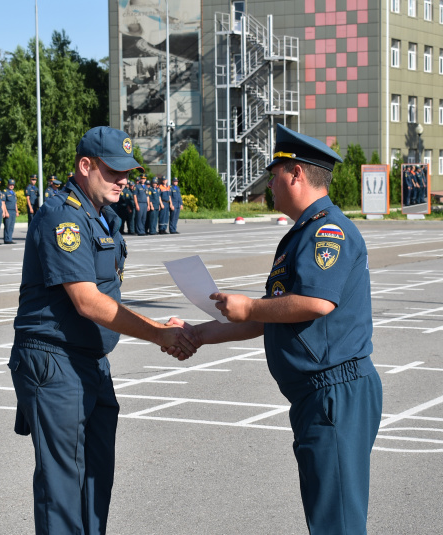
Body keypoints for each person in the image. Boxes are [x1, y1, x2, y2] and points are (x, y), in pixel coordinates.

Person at [168, 123, 383, 535]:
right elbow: (266, 318)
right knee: (327, 517)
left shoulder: (327, 231)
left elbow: (318, 303)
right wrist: (197, 333)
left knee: (336, 523)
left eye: (275, 174)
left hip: (334, 392)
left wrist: (248, 304)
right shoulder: (300, 235)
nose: (270, 182)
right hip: (318, 394)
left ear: (296, 174)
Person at [8, 126, 199, 535]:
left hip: (90, 361)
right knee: (63, 487)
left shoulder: (103, 217)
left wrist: (159, 326)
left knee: (96, 479)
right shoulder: (64, 216)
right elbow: (87, 300)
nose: (123, 180)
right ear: (85, 166)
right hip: (55, 361)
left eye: (128, 172)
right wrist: (158, 333)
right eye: (113, 172)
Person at [3, 179, 19, 244]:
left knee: (11, 226)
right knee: (7, 225)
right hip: (8, 210)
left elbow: (15, 203)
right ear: (8, 185)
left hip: (13, 211)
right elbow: (3, 203)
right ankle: (6, 239)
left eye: (12, 185)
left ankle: (10, 238)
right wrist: (5, 212)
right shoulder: (5, 192)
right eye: (10, 185)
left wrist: (17, 211)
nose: (11, 186)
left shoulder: (13, 193)